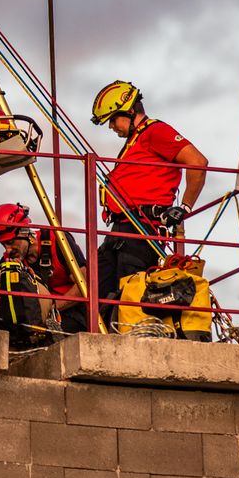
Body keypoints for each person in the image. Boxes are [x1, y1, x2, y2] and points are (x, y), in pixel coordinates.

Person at [90, 80, 208, 328]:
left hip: (141, 230)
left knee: (129, 291)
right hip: (121, 230)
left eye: (113, 119)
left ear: (130, 111)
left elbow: (197, 162)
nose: (111, 126)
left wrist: (184, 207)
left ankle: (130, 336)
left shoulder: (155, 132)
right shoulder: (134, 142)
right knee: (98, 290)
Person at [0, 203, 90, 334]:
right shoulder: (9, 259)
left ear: (24, 232)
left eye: (10, 242)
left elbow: (84, 284)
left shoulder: (58, 241)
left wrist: (52, 308)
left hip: (70, 311)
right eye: (3, 244)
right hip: (34, 315)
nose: (8, 249)